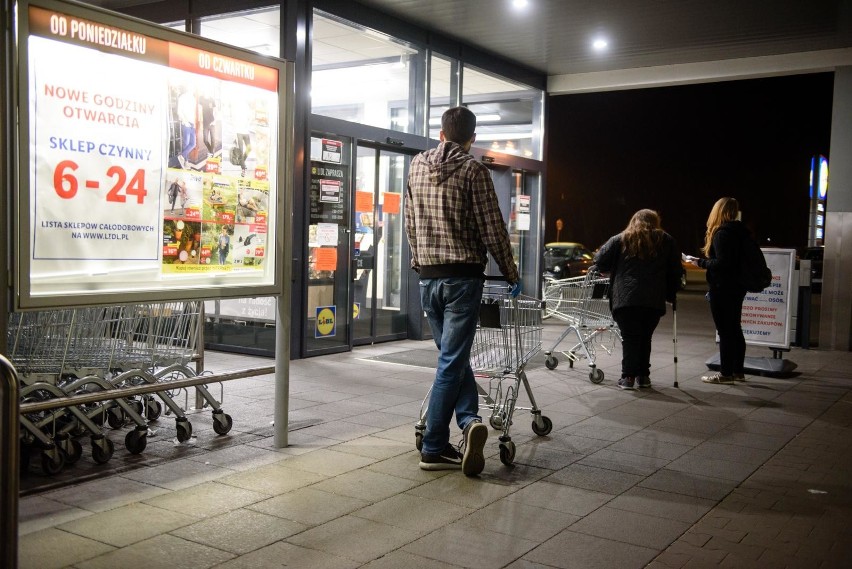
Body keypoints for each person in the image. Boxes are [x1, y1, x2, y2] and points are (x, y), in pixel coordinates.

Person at [405, 106, 520, 476]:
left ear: (441, 133)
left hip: (428, 278)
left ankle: (470, 422)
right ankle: (435, 448)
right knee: (451, 362)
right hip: (463, 280)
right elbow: (492, 229)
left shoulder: (416, 166)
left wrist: (419, 261)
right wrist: (511, 272)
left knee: (452, 360)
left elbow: (409, 222)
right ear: (472, 139)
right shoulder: (474, 170)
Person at [595, 209, 681, 390]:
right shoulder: (666, 240)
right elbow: (675, 270)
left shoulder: (620, 239)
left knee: (631, 337)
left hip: (625, 298)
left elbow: (600, 259)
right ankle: (643, 376)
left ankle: (628, 377)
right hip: (653, 299)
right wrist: (671, 293)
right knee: (645, 337)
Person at [685, 197, 749, 384]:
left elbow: (722, 263)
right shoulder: (740, 231)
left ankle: (725, 374)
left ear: (718, 211)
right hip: (738, 287)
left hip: (723, 287)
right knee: (735, 328)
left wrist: (699, 262)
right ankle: (738, 371)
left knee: (725, 331)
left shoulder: (722, 233)